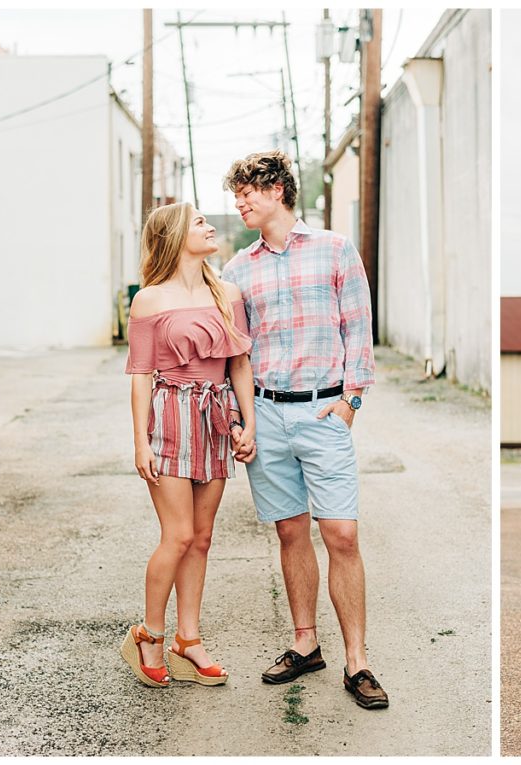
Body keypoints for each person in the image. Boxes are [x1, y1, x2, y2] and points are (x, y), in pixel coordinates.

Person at [220, 150, 388, 709]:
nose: (239, 201)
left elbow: (358, 328)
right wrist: (241, 419)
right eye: (236, 193)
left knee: (342, 534)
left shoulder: (335, 250)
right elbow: (235, 353)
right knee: (290, 533)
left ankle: (358, 661)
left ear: (277, 191)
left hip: (323, 413)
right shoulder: (238, 269)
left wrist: (351, 402)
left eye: (247, 191)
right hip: (265, 413)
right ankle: (305, 644)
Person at [120, 202, 256, 688]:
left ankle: (188, 639)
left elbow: (239, 364)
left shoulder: (228, 293)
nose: (209, 226)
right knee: (176, 535)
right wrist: (142, 443)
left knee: (201, 536)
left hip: (216, 417)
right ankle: (150, 635)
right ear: (175, 236)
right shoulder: (149, 300)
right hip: (172, 416)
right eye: (199, 221)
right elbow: (139, 375)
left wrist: (248, 423)